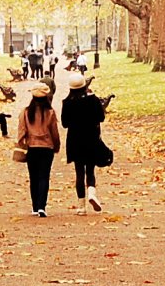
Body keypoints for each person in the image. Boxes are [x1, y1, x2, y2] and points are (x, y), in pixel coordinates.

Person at [59, 72, 110, 212]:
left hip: (75, 140)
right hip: (91, 138)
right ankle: (92, 193)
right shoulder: (92, 100)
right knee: (91, 171)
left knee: (79, 172)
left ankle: (81, 207)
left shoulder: (67, 102)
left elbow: (64, 123)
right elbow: (101, 117)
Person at [15, 82, 61, 216]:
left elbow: (21, 131)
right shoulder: (50, 113)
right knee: (44, 176)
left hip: (31, 148)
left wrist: (21, 145)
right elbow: (54, 132)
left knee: (33, 177)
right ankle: (42, 206)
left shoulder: (26, 112)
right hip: (47, 148)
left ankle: (35, 206)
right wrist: (56, 146)